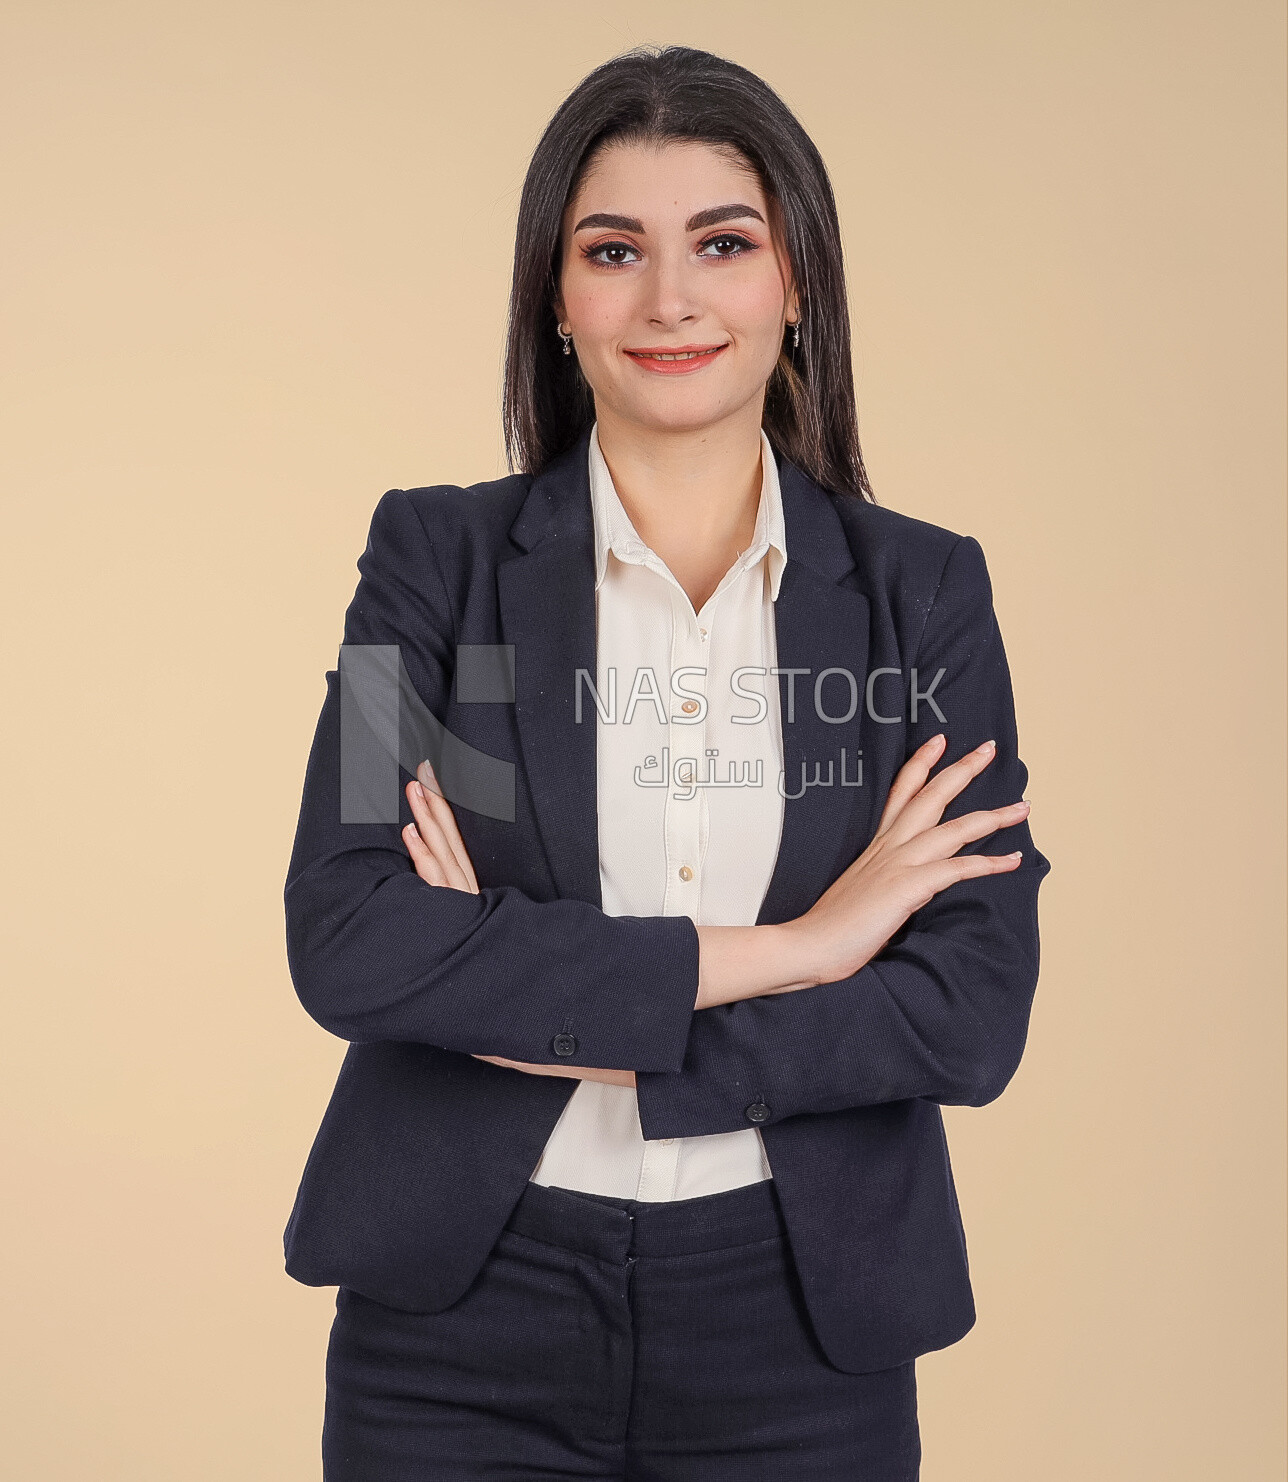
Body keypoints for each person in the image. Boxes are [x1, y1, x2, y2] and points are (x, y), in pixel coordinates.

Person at [282, 43, 1051, 1481]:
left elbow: (968, 1005)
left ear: (795, 283)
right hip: (456, 1330)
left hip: (798, 1331)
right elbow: (348, 936)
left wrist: (529, 990)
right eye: (614, 249)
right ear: (557, 300)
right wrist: (810, 944)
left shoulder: (922, 600)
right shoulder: (432, 569)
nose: (670, 298)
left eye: (724, 242)